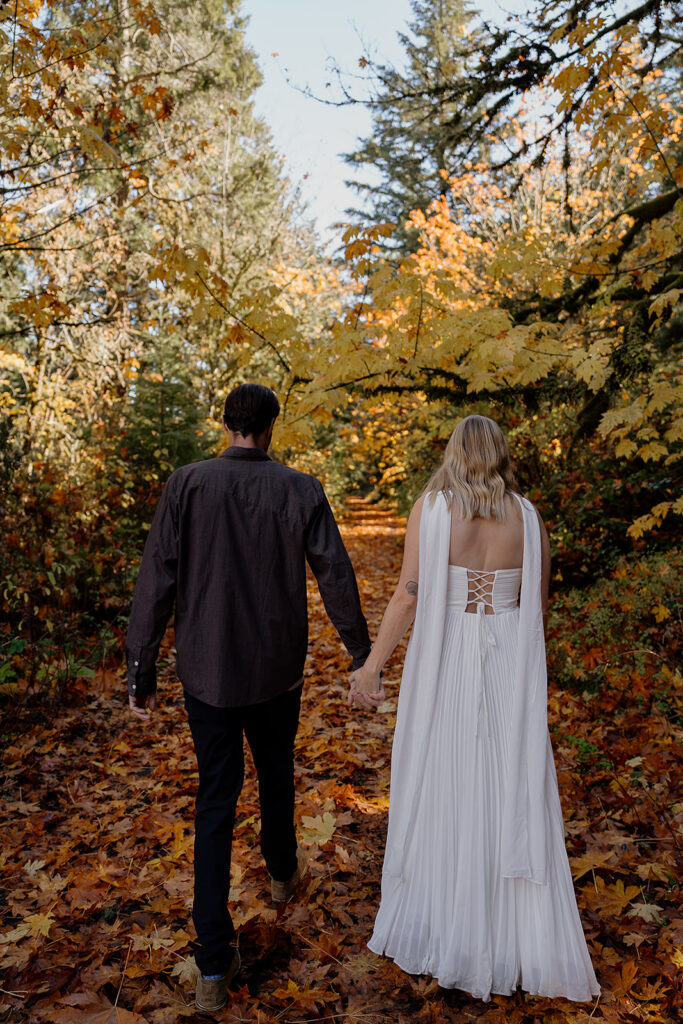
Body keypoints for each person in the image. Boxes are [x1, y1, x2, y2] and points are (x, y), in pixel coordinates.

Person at [126, 383, 375, 1015]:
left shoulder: (186, 484)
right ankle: (283, 870)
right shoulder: (299, 488)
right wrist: (359, 653)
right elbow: (335, 572)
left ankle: (213, 962)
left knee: (214, 801)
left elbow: (158, 574)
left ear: (227, 423)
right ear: (269, 427)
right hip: (274, 670)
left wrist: (141, 670)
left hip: (206, 673)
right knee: (274, 772)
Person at [349, 414, 600, 1003]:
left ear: (455, 452)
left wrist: (372, 666)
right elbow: (535, 608)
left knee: (451, 781)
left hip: (452, 656)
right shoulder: (529, 518)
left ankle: (450, 925)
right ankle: (511, 932)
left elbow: (410, 594)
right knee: (507, 780)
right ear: (501, 453)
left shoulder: (433, 509)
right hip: (507, 656)